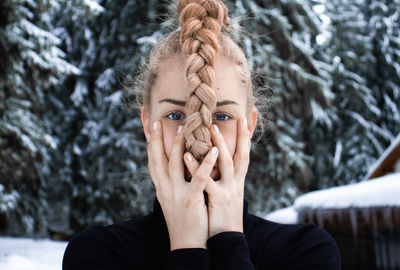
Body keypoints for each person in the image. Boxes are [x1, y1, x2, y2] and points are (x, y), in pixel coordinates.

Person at [62, 0, 341, 269]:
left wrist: (228, 239)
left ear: (249, 126)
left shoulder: (305, 252)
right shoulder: (98, 254)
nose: (200, 139)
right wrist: (186, 245)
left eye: (221, 116)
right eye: (175, 115)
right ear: (148, 125)